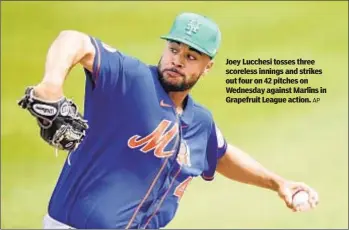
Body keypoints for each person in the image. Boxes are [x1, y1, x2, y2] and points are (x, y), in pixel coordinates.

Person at [25, 12, 318, 229]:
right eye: (174, 49)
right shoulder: (131, 79)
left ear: (207, 67)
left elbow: (222, 153)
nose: (177, 60)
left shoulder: (200, 121)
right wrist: (52, 84)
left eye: (191, 56)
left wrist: (278, 183)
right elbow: (73, 40)